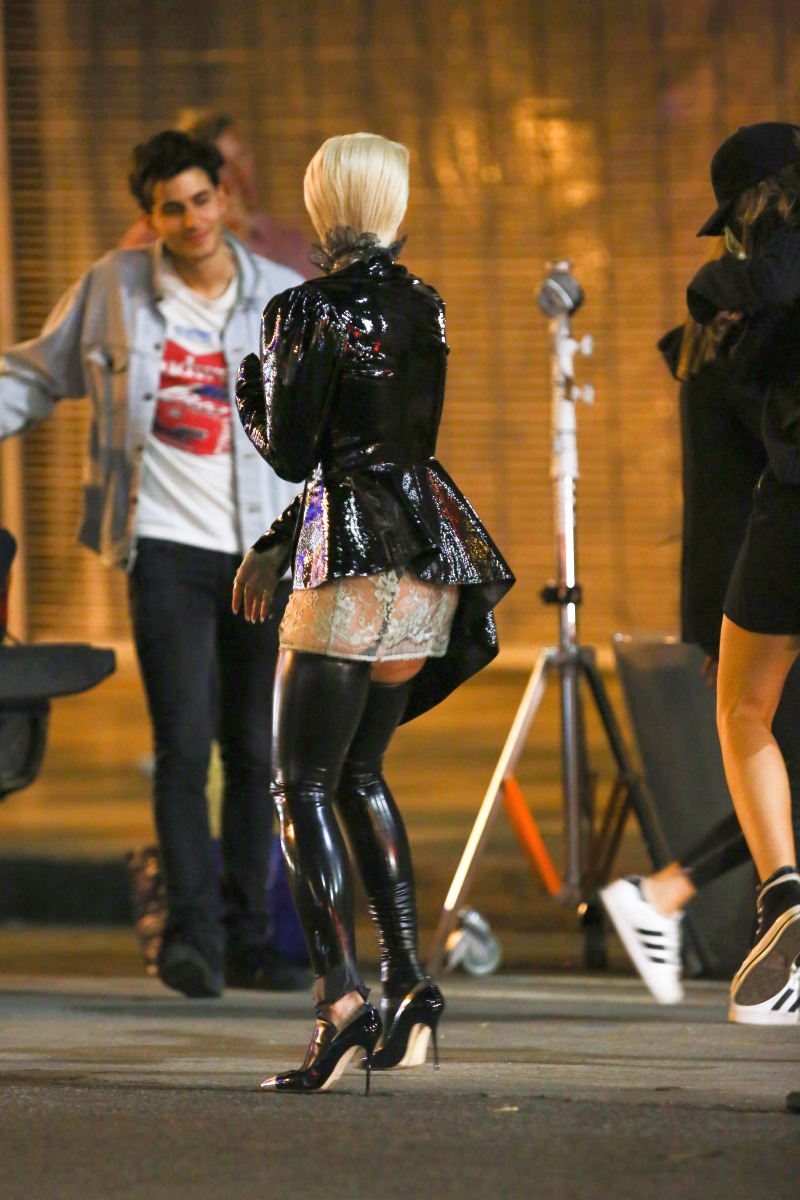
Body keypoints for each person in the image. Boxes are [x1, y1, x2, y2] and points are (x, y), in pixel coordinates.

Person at [233, 131, 515, 1093]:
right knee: (359, 773)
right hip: (429, 554)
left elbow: (294, 453)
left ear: (323, 204)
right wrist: (284, 536)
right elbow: (385, 448)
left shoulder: (303, 309)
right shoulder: (425, 304)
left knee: (299, 786)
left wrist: (250, 388)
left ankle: (341, 1005)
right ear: (393, 204)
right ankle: (409, 986)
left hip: (349, 563)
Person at [0, 129, 310, 999]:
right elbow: (33, 377)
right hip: (164, 545)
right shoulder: (113, 289)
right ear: (152, 217)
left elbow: (323, 425)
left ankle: (250, 939)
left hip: (259, 549)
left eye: (202, 200)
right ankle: (193, 939)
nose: (192, 220)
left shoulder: (280, 298)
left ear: (224, 198)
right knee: (181, 744)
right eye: (173, 208)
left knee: (253, 747)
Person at [601, 296, 800, 1022]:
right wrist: (719, 623)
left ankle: (671, 896)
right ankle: (676, 897)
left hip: (766, 577)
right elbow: (721, 496)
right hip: (768, 578)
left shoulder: (734, 320)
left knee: (781, 763)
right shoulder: (741, 327)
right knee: (779, 759)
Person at [681, 121, 800, 1024]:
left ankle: (785, 895)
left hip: (793, 507)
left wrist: (714, 288)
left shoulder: (772, 261)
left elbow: (765, 286)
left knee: (743, 710)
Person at [120, 110, 312, 278]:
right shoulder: (146, 243)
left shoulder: (288, 241)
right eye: (224, 164)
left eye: (241, 156)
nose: (240, 173)